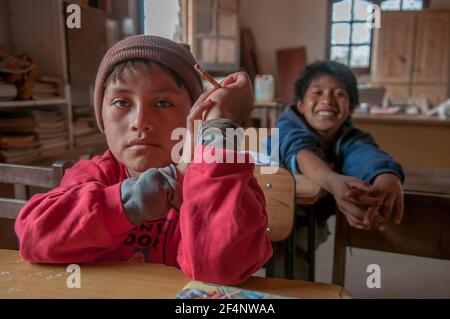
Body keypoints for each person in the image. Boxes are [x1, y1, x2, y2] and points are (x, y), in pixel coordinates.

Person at [15, 35, 272, 285]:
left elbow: (220, 267)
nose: (140, 122)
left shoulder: (225, 180)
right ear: (102, 118)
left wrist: (218, 129)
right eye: (121, 102)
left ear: (196, 115)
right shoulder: (94, 174)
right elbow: (35, 235)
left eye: (162, 103)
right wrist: (140, 197)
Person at [274, 60, 404, 279]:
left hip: (308, 220)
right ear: (301, 105)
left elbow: (364, 153)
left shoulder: (350, 137)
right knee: (285, 267)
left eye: (339, 94)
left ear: (351, 107)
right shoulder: (286, 127)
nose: (327, 100)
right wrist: (332, 180)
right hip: (267, 217)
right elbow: (300, 150)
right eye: (317, 92)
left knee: (297, 260)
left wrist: (386, 175)